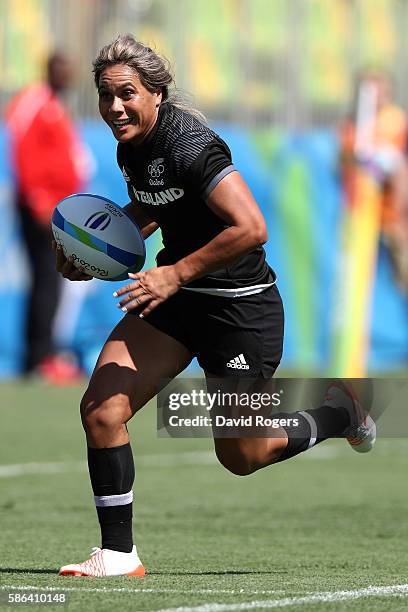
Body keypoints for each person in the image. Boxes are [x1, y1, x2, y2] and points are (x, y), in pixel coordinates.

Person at [56, 35, 376, 577]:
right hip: (178, 301)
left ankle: (339, 411)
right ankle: (117, 554)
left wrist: (174, 272)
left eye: (127, 93)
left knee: (243, 456)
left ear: (156, 92)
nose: (114, 107)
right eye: (105, 96)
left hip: (239, 312)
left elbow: (251, 228)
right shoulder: (130, 144)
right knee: (102, 410)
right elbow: (160, 205)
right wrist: (92, 250)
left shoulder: (191, 145)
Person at [5, 52, 88, 383]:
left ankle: (42, 353)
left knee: (50, 281)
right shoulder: (35, 100)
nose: (66, 75)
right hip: (40, 208)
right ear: (49, 70)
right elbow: (21, 145)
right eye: (61, 69)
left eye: (69, 69)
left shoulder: (55, 104)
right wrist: (39, 199)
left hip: (56, 207)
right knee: (46, 280)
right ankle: (39, 356)